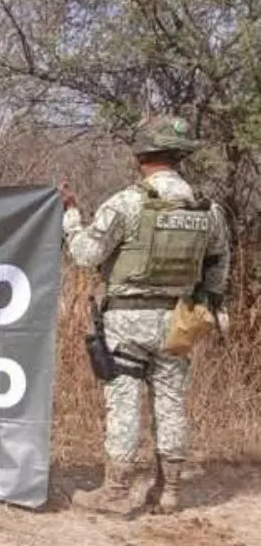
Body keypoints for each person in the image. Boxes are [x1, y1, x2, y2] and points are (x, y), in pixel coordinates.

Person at [59, 114, 231, 516]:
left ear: (141, 156)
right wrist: (206, 303)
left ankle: (116, 491)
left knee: (124, 401)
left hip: (128, 321)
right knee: (171, 401)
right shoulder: (207, 209)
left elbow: (85, 254)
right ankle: (169, 491)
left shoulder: (127, 203)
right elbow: (219, 263)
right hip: (179, 321)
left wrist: (71, 217)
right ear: (179, 156)